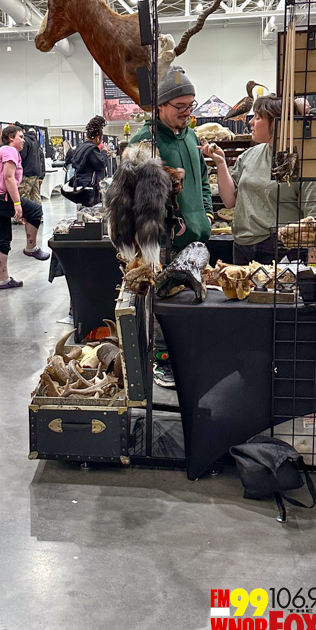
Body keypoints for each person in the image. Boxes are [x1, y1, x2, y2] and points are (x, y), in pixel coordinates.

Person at [129, 66, 213, 390]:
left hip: (196, 239)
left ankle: (185, 360)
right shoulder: (144, 142)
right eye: (180, 106)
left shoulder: (190, 135)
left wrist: (206, 213)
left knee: (190, 308)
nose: (187, 112)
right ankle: (162, 362)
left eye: (191, 105)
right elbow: (134, 201)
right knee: (164, 309)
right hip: (165, 244)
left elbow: (202, 178)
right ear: (161, 105)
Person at [201, 94, 316, 265]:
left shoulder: (308, 161)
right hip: (242, 245)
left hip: (282, 249)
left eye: (257, 117)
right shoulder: (249, 155)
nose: (250, 122)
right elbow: (229, 201)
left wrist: (313, 267)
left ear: (277, 122)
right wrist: (220, 163)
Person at [0, 125, 49, 290]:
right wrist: (17, 204)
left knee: (1, 238)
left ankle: (3, 280)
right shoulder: (10, 151)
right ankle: (31, 248)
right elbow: (8, 177)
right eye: (21, 137)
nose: (23, 141)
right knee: (35, 210)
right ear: (11, 137)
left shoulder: (2, 151)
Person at [65, 116, 108, 206]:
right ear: (97, 137)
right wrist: (104, 152)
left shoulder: (81, 147)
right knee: (91, 209)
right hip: (90, 187)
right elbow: (102, 164)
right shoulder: (91, 149)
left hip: (81, 185)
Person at [19, 127, 46, 204]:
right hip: (36, 172)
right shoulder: (35, 141)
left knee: (23, 195)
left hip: (27, 173)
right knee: (36, 195)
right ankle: (38, 211)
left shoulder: (25, 141)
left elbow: (22, 157)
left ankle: (24, 212)